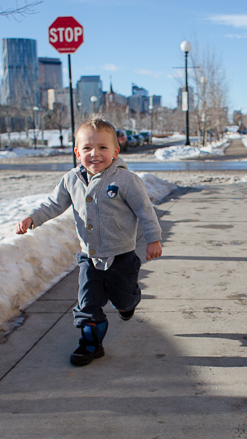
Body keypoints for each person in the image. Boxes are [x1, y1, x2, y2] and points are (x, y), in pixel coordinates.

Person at [16, 118, 163, 367]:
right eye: (87, 148)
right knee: (87, 304)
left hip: (121, 256)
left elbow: (145, 211)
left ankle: (129, 301)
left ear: (115, 151)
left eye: (103, 147)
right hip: (89, 257)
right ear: (77, 152)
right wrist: (32, 218)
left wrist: (153, 239)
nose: (95, 153)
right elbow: (53, 204)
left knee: (124, 301)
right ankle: (90, 343)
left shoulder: (126, 180)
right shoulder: (71, 179)